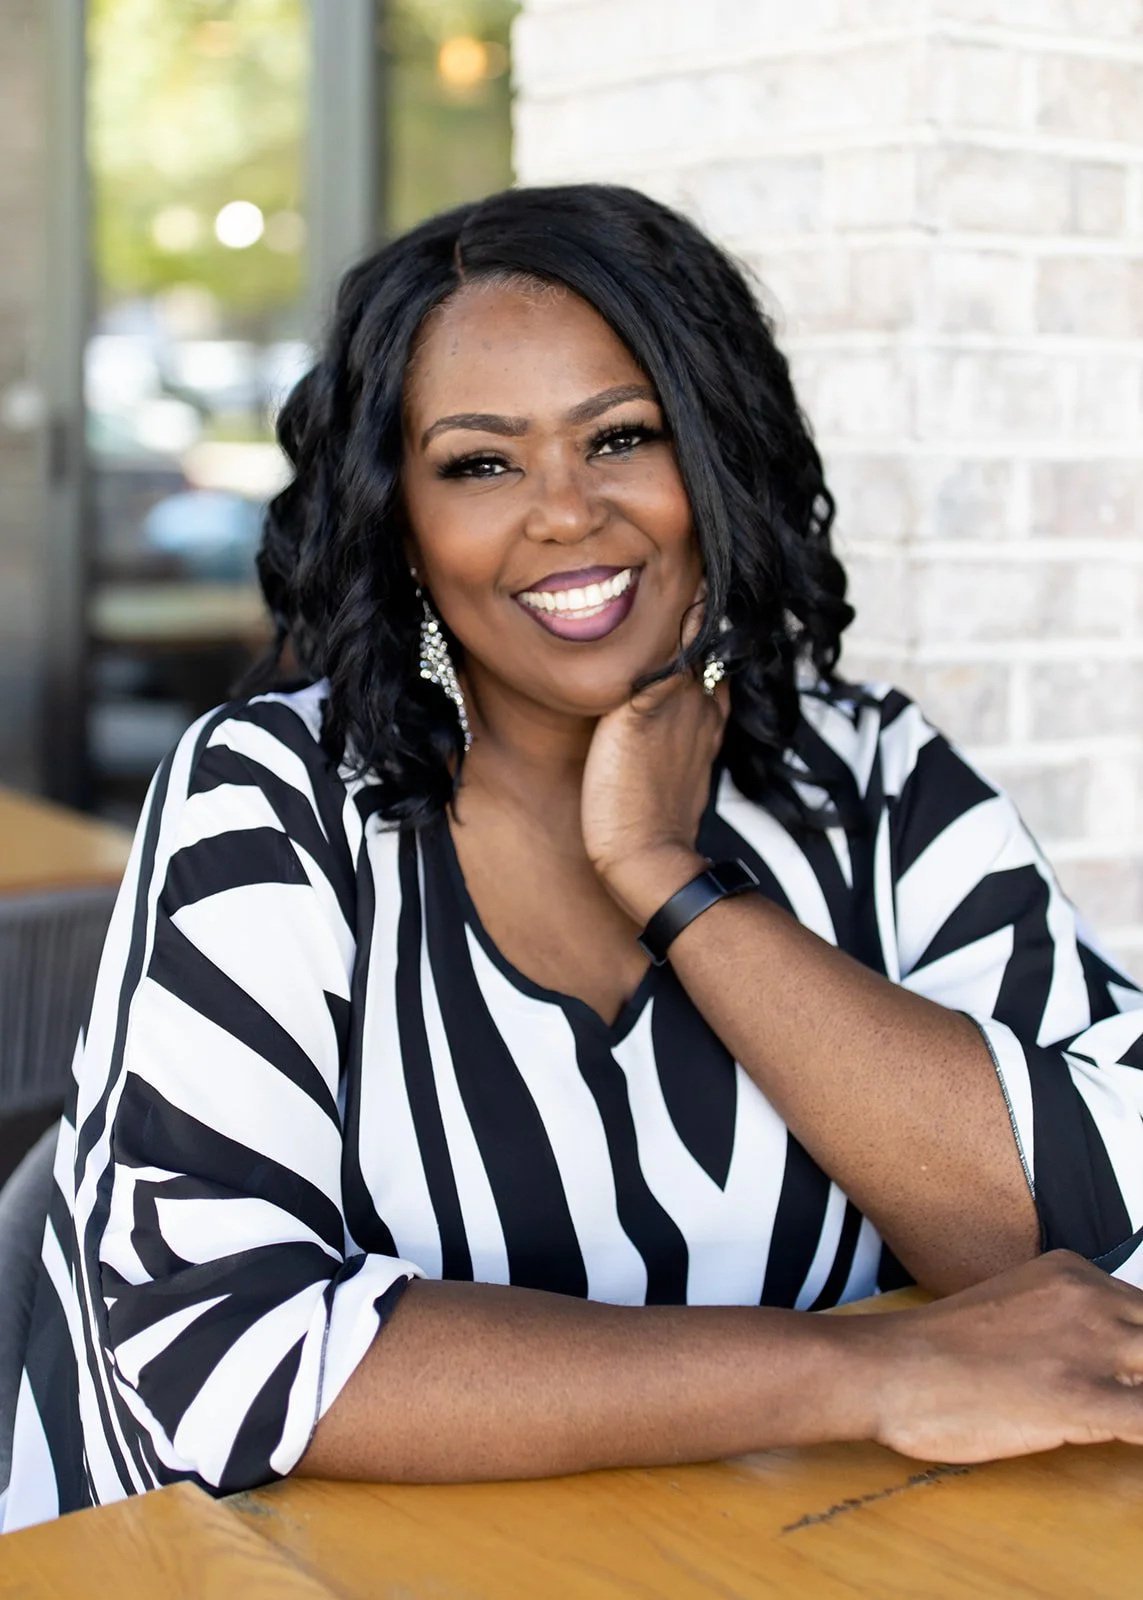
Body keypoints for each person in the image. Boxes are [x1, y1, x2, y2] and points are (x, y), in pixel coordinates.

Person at [5, 185, 1143, 1532]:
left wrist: (673, 882)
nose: (562, 514)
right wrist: (868, 1371)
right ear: (401, 525)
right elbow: (218, 1357)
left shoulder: (870, 781)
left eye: (621, 437)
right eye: (480, 463)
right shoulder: (275, 799)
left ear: (716, 456)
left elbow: (1096, 1258)